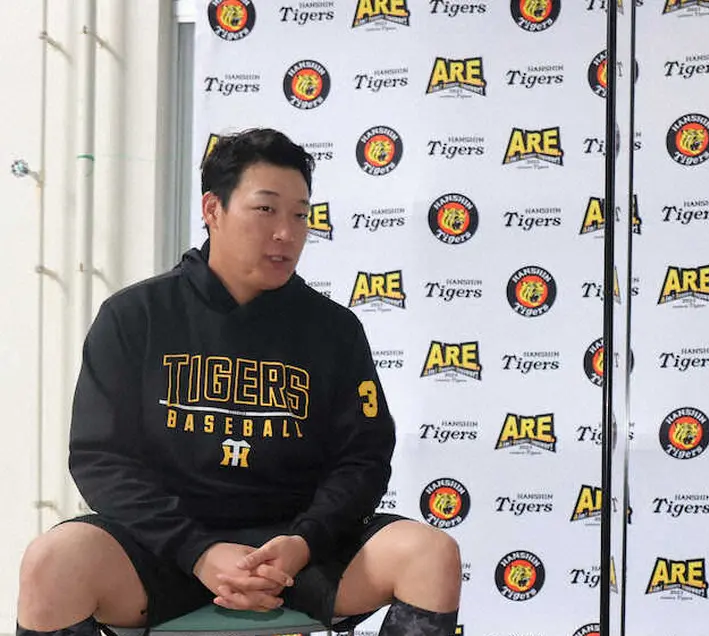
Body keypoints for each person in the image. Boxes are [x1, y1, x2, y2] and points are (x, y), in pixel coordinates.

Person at [16, 128, 462, 636]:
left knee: (430, 555)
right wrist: (199, 552)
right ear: (213, 209)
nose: (286, 232)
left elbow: (363, 460)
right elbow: (101, 459)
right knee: (53, 562)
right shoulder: (135, 316)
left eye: (300, 215)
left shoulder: (335, 330)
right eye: (266, 209)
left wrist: (303, 543)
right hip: (166, 551)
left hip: (295, 555)